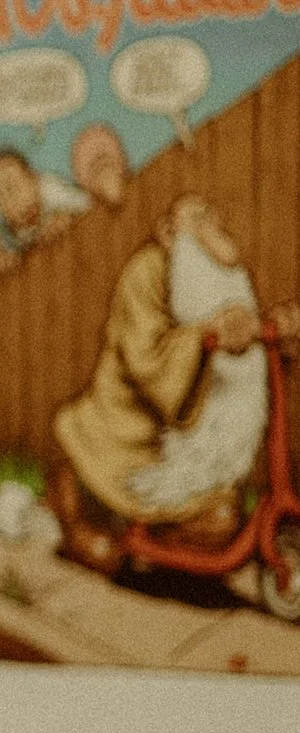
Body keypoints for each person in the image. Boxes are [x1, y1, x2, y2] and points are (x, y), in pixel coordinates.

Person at [49, 190, 300, 567]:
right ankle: (100, 529)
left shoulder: (220, 277)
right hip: (129, 434)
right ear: (169, 232)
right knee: (87, 488)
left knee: (222, 522)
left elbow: (237, 343)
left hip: (192, 449)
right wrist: (204, 338)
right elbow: (144, 359)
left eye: (212, 217)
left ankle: (154, 541)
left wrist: (276, 330)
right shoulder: (146, 272)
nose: (211, 226)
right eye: (197, 219)